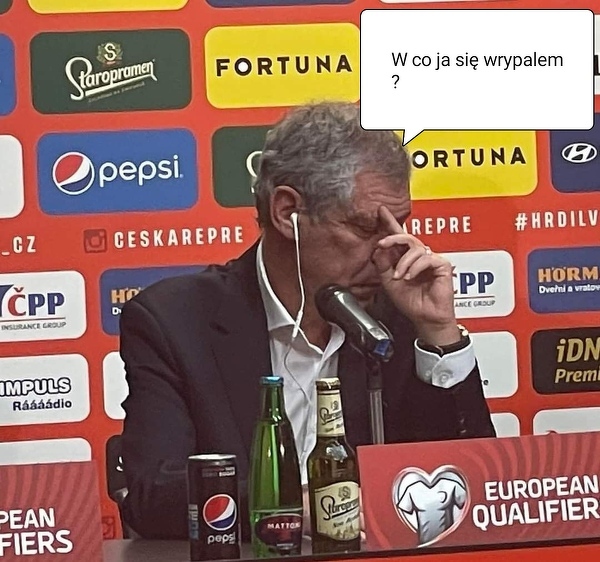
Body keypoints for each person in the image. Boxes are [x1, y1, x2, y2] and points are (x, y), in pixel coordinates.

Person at [118, 101, 496, 540]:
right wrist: (310, 510)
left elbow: (474, 483)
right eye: (365, 228)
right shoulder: (175, 321)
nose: (390, 252)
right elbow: (155, 495)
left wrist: (439, 333)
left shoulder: (398, 317)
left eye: (399, 226)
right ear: (287, 213)